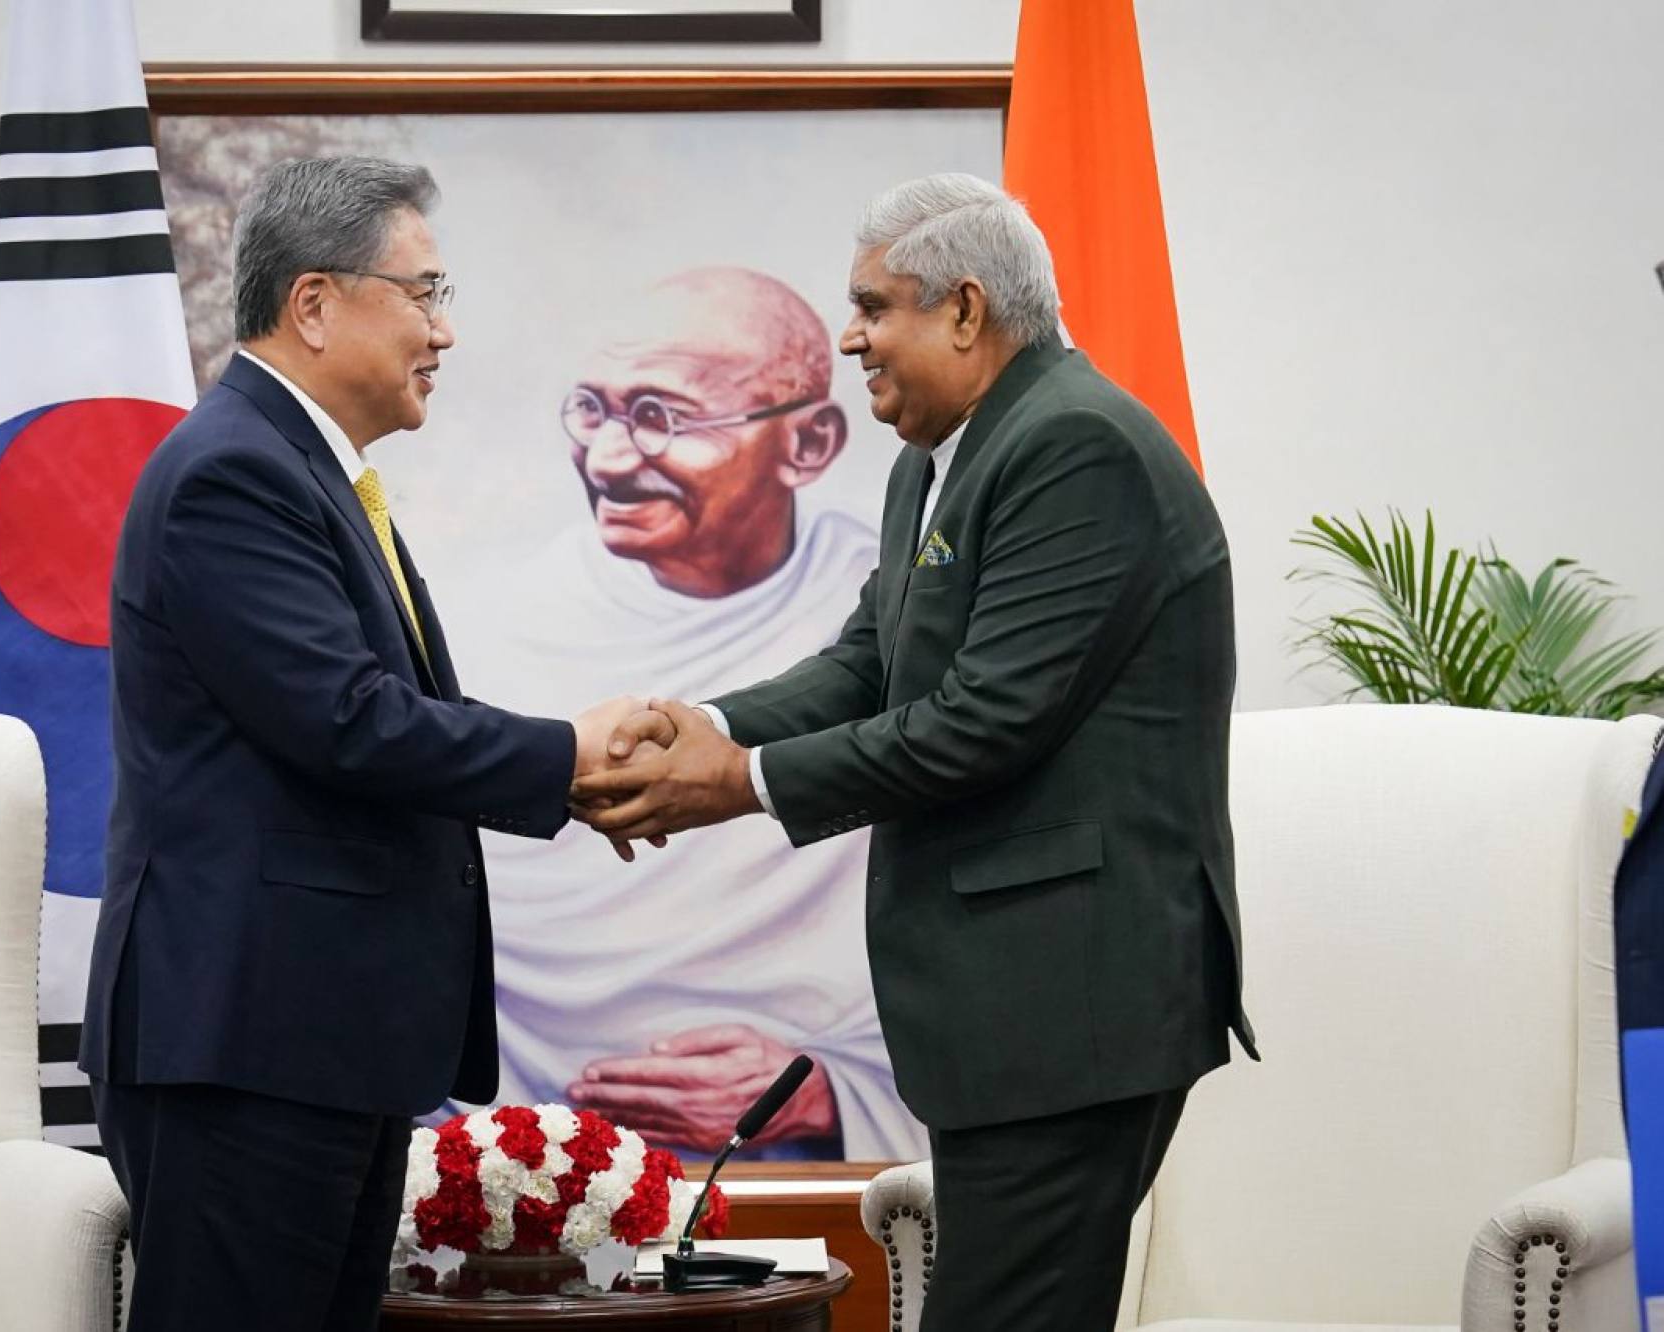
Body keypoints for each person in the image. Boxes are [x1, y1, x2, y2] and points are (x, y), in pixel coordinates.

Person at [572, 173, 1257, 1330]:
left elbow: (985, 721)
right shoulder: (939, 457)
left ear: (965, 309)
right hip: (1014, 1008)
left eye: (873, 306)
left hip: (1072, 1002)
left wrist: (731, 784)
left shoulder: (1073, 445)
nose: (851, 339)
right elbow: (869, 665)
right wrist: (707, 725)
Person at [78, 156, 640, 1332]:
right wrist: (563, 756)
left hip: (318, 1043)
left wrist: (565, 767)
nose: (446, 329)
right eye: (425, 292)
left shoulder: (307, 474)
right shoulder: (233, 474)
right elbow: (346, 720)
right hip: (249, 1047)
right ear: (316, 304)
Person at [441, 266, 926, 1160]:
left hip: (810, 1161)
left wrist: (827, 1091)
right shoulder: (484, 623)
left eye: (662, 417)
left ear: (809, 444)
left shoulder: (887, 613)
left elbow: (948, 879)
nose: (612, 459)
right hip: (508, 1152)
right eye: (592, 410)